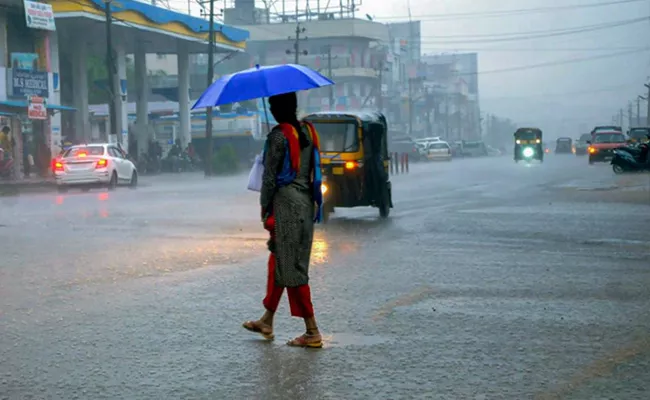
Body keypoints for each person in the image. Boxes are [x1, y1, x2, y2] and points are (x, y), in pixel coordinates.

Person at [242, 92, 324, 348]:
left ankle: (312, 331)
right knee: (280, 260)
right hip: (305, 204)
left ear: (279, 108)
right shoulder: (308, 132)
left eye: (272, 105)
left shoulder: (278, 136)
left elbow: (268, 178)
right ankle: (267, 319)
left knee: (291, 268)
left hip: (286, 206)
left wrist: (265, 207)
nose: (271, 109)